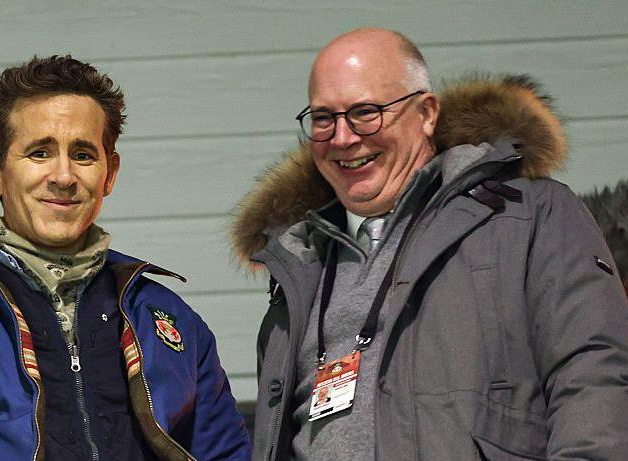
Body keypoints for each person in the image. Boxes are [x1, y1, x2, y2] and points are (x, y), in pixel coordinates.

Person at [231, 28, 628, 460]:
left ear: (426, 113)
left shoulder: (527, 216)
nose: (343, 138)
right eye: (324, 118)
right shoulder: (297, 264)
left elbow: (594, 374)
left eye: (366, 112)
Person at [0, 55, 251, 461]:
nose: (63, 176)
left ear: (109, 173)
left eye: (83, 155)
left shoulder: (167, 313)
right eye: (39, 153)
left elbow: (225, 453)